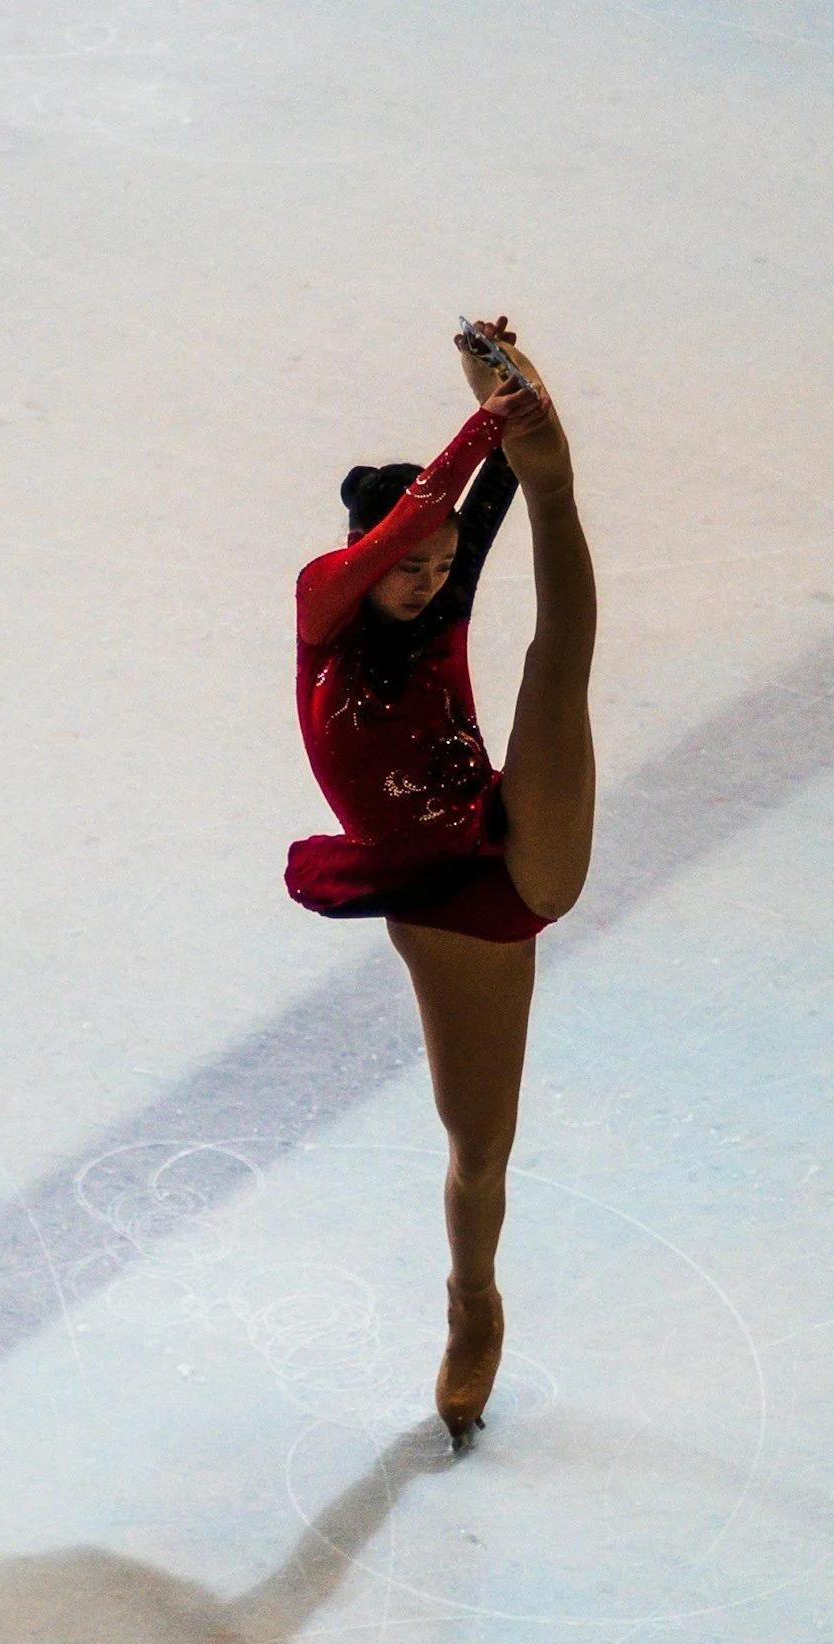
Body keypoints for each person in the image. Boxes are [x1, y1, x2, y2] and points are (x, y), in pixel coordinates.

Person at [287, 318, 596, 1445]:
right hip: (442, 899)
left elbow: (463, 526)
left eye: (437, 569)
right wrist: (474, 429)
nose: (427, 583)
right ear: (367, 555)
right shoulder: (325, 613)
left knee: (554, 667)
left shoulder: (439, 594)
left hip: (513, 835)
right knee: (480, 1146)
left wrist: (512, 418)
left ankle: (563, 481)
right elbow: (416, 524)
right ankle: (474, 1302)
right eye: (408, 566)